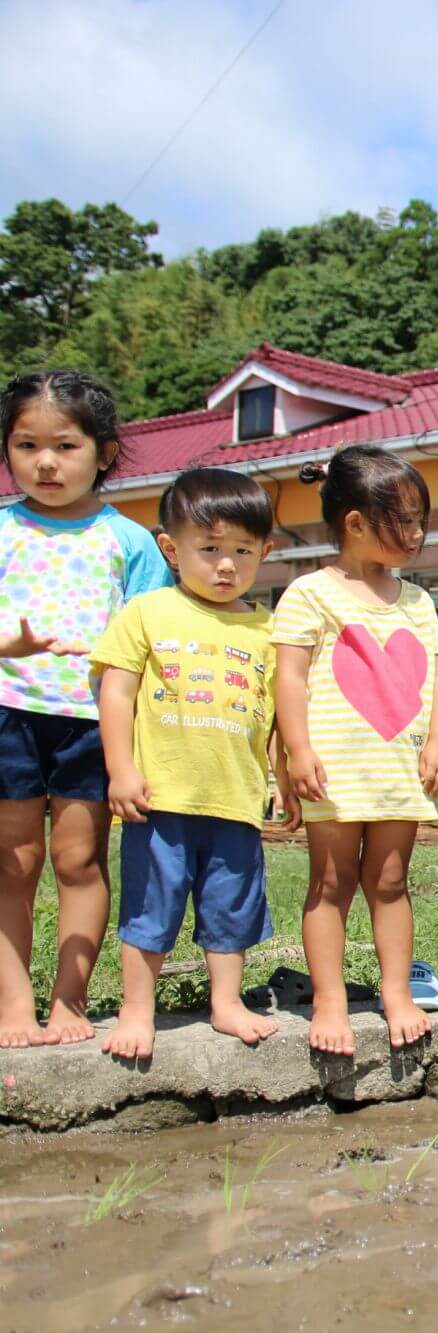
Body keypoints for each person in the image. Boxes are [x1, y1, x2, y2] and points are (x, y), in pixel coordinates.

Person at [0, 371, 173, 1048]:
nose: (44, 462)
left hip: (91, 720)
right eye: (25, 444)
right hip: (7, 711)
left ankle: (68, 998)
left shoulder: (127, 541)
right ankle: (13, 1004)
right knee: (12, 862)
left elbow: (146, 642)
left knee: (79, 859)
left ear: (103, 452)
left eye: (64, 445)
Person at [94, 469, 289, 1059]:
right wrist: (121, 770)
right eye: (209, 550)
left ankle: (226, 1002)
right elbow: (116, 693)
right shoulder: (147, 612)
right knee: (152, 906)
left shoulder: (268, 629)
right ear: (171, 549)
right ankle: (137, 1009)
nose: (226, 565)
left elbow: (278, 713)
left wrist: (281, 780)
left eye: (242, 551)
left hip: (235, 800)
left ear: (266, 552)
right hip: (161, 798)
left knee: (231, 907)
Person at [274, 446, 438, 1054]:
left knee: (392, 880)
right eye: (402, 520)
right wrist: (297, 751)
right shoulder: (308, 593)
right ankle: (329, 1001)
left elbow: (437, 677)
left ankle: (396, 993)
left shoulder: (417, 599)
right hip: (334, 769)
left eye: (418, 520)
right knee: (330, 882)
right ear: (355, 522)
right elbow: (290, 677)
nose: (416, 534)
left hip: (398, 770)